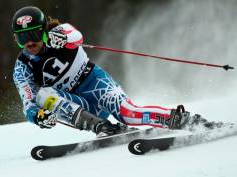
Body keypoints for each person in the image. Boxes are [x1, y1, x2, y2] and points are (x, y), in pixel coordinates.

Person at [11, 6, 194, 136]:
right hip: (79, 106)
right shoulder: (22, 67)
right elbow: (28, 103)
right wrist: (38, 116)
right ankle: (100, 126)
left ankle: (178, 119)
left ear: (43, 30)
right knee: (43, 95)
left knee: (129, 114)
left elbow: (76, 36)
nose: (29, 42)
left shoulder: (59, 31)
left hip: (95, 84)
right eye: (22, 38)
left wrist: (62, 39)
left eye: (33, 34)